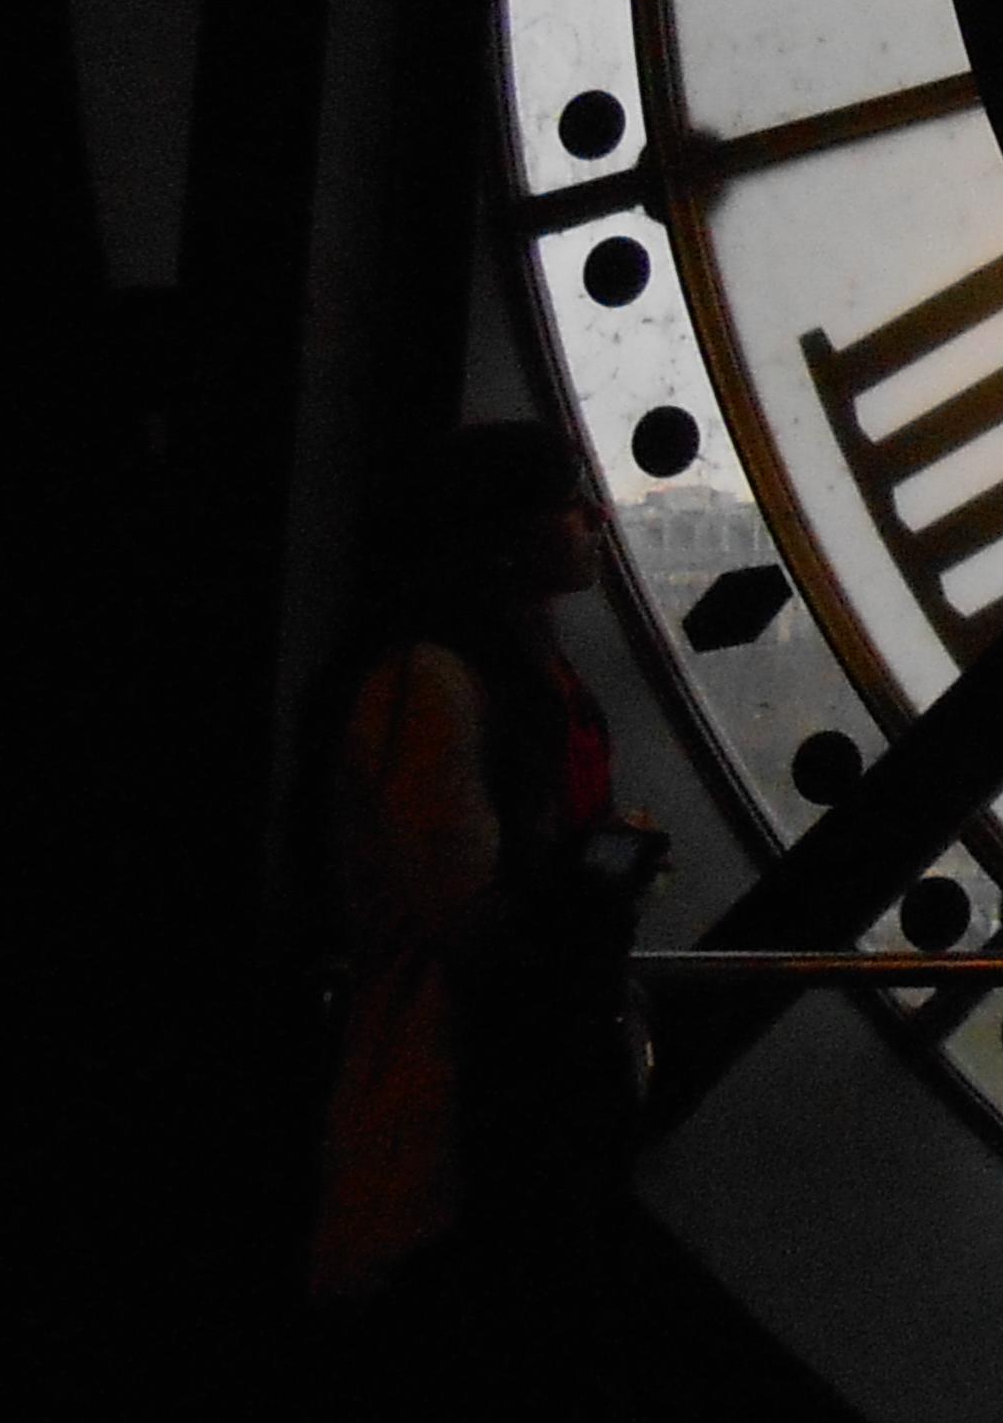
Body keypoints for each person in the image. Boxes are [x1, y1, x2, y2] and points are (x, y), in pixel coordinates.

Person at [302, 421, 667, 1418]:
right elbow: (482, 929)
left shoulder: (429, 685)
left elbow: (465, 918)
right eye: (573, 499)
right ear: (509, 535)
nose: (595, 518)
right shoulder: (487, 687)